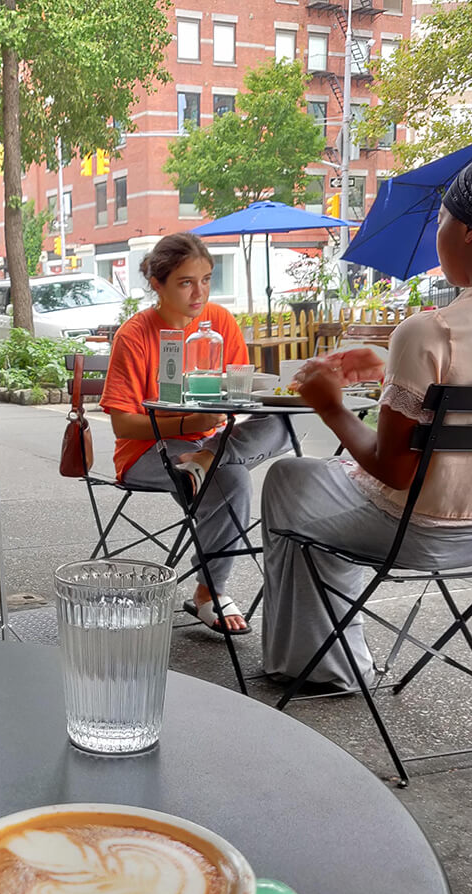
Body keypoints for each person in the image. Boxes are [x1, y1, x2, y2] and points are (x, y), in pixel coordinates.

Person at [261, 147, 472, 694]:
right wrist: (390, 382)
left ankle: (315, 665)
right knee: (323, 504)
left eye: (441, 218)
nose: (438, 231)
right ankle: (331, 656)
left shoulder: (433, 330)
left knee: (290, 479)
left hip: (415, 532)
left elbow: (393, 472)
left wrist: (329, 404)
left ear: (466, 230)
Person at [100, 233, 290, 635]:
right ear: (158, 284)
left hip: (210, 444)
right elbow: (122, 425)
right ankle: (209, 592)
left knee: (284, 422)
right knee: (233, 478)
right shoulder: (134, 336)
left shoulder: (220, 322)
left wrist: (209, 440)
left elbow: (238, 393)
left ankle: (205, 461)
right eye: (186, 282)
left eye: (206, 279)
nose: (199, 292)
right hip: (148, 450)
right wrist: (190, 425)